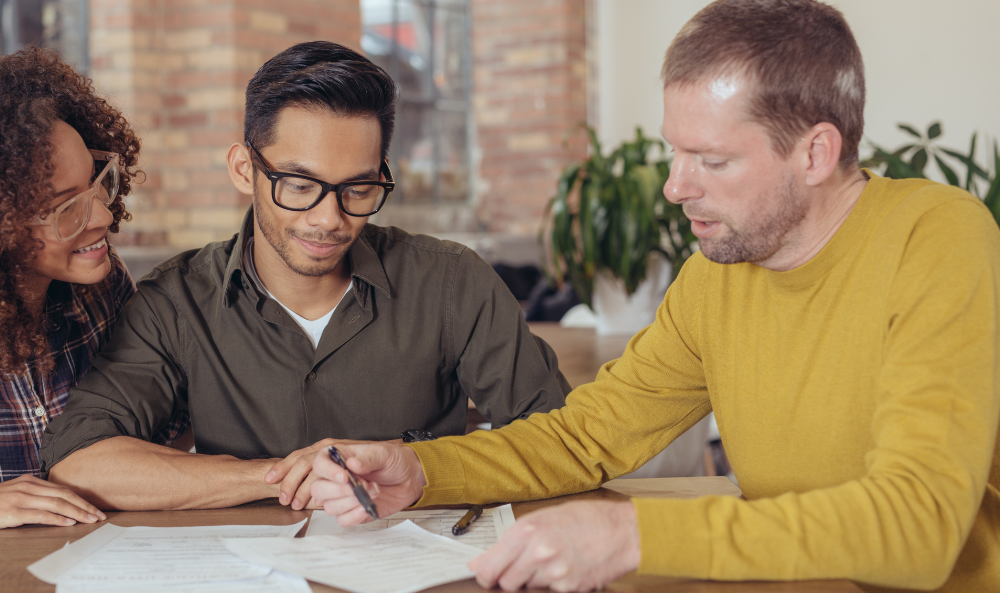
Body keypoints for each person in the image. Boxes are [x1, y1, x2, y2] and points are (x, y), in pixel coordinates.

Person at [308, 1, 1000, 592]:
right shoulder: (717, 275)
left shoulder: (938, 238)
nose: (675, 187)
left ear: (815, 153)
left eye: (713, 160)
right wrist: (421, 469)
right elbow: (586, 437)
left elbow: (922, 521)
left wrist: (634, 533)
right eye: (675, 151)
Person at [38, 41, 569, 512]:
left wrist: (416, 463)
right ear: (244, 169)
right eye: (299, 185)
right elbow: (79, 459)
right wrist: (281, 476)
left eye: (358, 189)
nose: (329, 219)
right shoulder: (175, 302)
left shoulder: (451, 282)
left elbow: (561, 439)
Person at [0, 47, 188, 528]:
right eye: (66, 207)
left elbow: (168, 428)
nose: (103, 215)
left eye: (97, 181)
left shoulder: (101, 288)